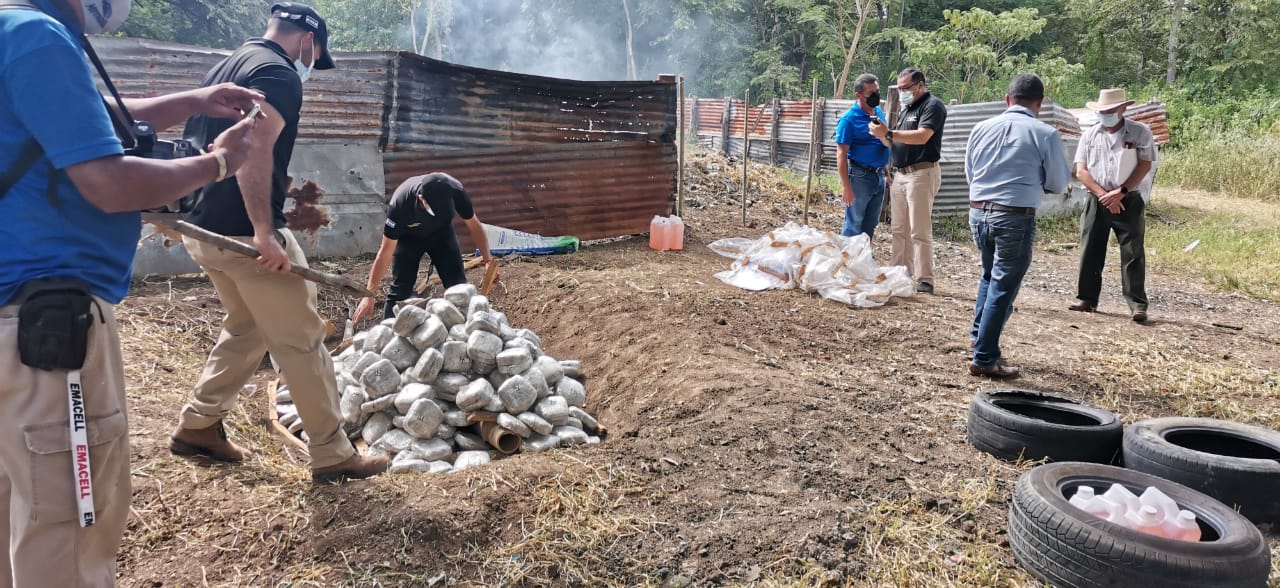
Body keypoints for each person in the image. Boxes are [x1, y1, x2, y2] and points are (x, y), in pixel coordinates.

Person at [1, 0, 261, 584]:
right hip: (45, 331)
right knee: (66, 517)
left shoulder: (12, 31)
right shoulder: (40, 37)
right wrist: (217, 163)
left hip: (13, 317)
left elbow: (90, 120)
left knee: (17, 501)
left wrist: (194, 100)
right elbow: (110, 182)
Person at [171, 2, 389, 483]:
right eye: (315, 54)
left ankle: (199, 424)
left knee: (247, 327)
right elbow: (253, 151)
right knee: (302, 340)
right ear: (308, 41)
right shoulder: (278, 74)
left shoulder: (229, 65)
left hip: (205, 227)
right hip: (246, 235)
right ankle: (334, 455)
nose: (311, 63)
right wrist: (266, 231)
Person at [964, 74, 1071, 379]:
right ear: (1039, 103)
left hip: (978, 214)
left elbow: (971, 174)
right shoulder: (1045, 133)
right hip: (1013, 217)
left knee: (989, 276)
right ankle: (984, 357)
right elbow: (1058, 182)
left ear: (1007, 99)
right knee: (1003, 286)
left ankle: (978, 337)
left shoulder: (980, 128)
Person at [353, 172, 494, 323]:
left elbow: (474, 225)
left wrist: (488, 261)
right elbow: (385, 252)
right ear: (422, 199)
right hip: (409, 238)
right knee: (400, 289)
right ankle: (388, 333)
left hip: (442, 235)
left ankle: (467, 330)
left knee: (458, 286)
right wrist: (369, 293)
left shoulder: (457, 191)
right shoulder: (400, 204)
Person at [1069, 87, 1156, 323]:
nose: (1106, 114)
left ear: (1123, 108)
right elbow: (1081, 170)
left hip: (1129, 198)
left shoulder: (1140, 132)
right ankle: (1087, 299)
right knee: (1090, 249)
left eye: (1110, 110)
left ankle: (1137, 304)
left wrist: (1121, 192)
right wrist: (1103, 195)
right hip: (1096, 198)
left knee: (1132, 252)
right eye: (1103, 110)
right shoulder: (1090, 135)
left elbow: (1144, 165)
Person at [869, 67, 947, 294]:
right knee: (898, 228)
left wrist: (889, 133)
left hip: (921, 173)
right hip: (901, 174)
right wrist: (881, 134)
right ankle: (899, 271)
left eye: (905, 88)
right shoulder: (906, 110)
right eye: (899, 88)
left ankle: (925, 278)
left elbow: (923, 135)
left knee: (919, 230)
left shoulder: (932, 106)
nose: (901, 92)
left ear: (920, 85)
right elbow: (893, 142)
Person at [834, 73, 892, 239]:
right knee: (854, 223)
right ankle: (846, 262)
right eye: (870, 94)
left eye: (877, 91)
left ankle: (863, 260)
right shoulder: (848, 120)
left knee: (870, 224)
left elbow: (882, 143)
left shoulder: (879, 112)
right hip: (859, 177)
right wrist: (846, 187)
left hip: (878, 176)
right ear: (858, 95)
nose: (876, 96)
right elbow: (841, 154)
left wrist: (886, 173)